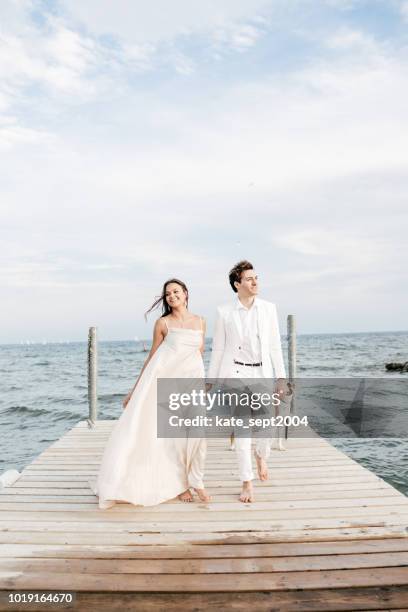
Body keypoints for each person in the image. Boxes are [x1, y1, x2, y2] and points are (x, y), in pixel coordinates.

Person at [91, 278, 210, 509]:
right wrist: (134, 390)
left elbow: (199, 353)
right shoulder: (162, 323)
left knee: (197, 434)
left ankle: (197, 479)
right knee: (173, 437)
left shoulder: (201, 321)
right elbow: (152, 358)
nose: (172, 296)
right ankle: (182, 484)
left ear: (186, 293)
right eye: (168, 294)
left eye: (176, 292)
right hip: (166, 384)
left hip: (192, 384)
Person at [208, 260, 287, 503]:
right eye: (250, 279)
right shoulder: (224, 312)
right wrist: (211, 380)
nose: (255, 282)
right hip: (236, 376)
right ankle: (246, 481)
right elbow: (219, 349)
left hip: (262, 374)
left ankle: (261, 455)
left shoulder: (269, 309)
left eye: (256, 278)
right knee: (242, 432)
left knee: (267, 427)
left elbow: (274, 346)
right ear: (237, 284)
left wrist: (281, 377)